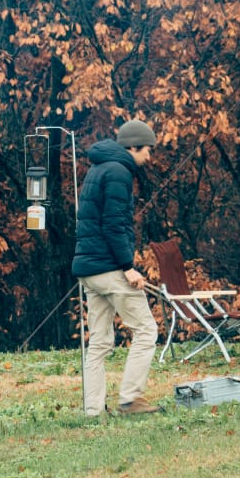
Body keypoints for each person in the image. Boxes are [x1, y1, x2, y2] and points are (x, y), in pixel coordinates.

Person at [73, 117, 162, 416]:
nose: (149, 156)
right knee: (147, 329)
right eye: (147, 150)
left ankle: (92, 410)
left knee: (98, 343)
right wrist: (128, 267)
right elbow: (113, 225)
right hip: (110, 267)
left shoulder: (98, 168)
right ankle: (130, 399)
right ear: (133, 147)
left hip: (89, 269)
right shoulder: (119, 172)